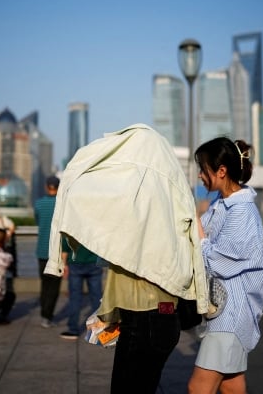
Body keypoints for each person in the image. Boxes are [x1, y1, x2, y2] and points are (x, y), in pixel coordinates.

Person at [43, 124, 208, 394]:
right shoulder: (172, 202)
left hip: (146, 320)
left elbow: (85, 199)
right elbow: (197, 243)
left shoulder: (129, 213)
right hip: (161, 317)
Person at [188, 137, 263, 394]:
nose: (200, 175)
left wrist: (198, 232)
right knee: (232, 387)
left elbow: (218, 261)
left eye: (204, 168)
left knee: (198, 389)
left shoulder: (241, 211)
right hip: (228, 310)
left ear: (221, 171)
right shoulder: (223, 204)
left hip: (230, 313)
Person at [59, 235, 104, 340]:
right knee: (97, 298)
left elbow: (65, 247)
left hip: (75, 263)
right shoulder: (95, 223)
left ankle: (73, 330)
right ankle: (98, 330)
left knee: (75, 298)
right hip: (94, 262)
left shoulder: (70, 224)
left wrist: (64, 265)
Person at [34, 175, 62, 328]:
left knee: (44, 284)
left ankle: (43, 312)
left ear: (46, 187)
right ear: (59, 187)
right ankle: (47, 316)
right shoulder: (62, 204)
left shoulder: (38, 204)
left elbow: (38, 221)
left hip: (41, 251)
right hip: (57, 253)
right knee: (54, 286)